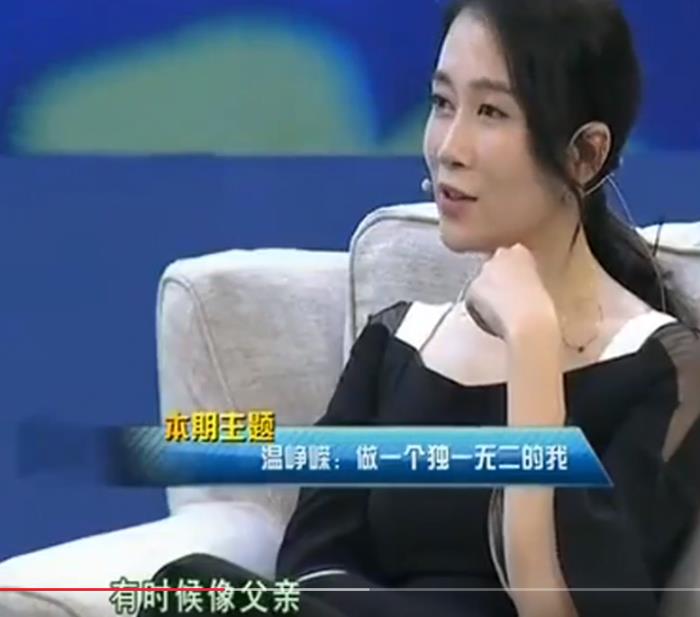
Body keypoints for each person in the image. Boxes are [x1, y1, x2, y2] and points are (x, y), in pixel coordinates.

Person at [140, 0, 700, 616]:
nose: (448, 148)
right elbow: (312, 565)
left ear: (585, 154)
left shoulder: (662, 371)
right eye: (442, 103)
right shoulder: (398, 342)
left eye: (491, 112)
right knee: (188, 588)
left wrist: (533, 348)